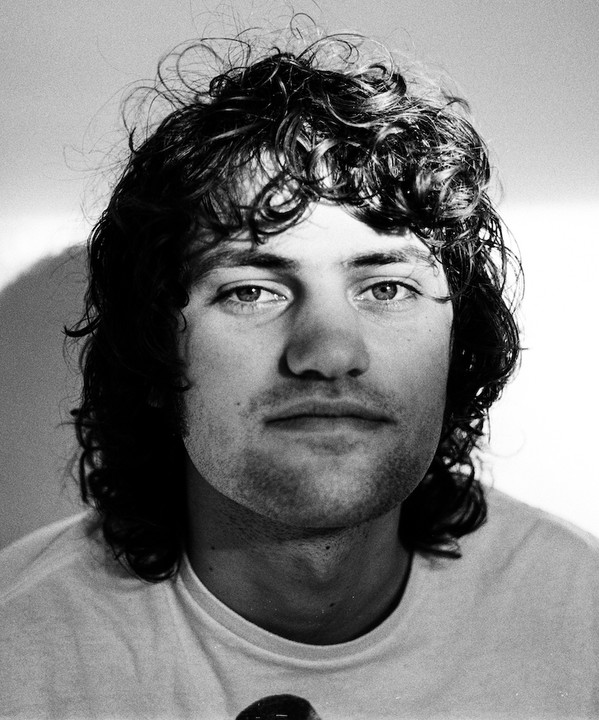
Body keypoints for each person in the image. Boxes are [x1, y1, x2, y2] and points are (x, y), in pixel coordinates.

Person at [1, 31, 597, 719]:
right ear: (156, 351)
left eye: (386, 288)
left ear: (456, 346)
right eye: (252, 291)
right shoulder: (19, 652)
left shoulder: (581, 617)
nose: (328, 353)